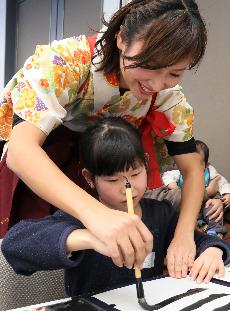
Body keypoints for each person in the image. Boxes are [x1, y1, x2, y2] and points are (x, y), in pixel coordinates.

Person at [0, 0, 208, 277]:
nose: (157, 85)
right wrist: (95, 214)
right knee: (41, 241)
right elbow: (21, 150)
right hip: (41, 158)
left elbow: (192, 167)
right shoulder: (64, 61)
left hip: (100, 163)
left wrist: (184, 236)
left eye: (174, 73)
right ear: (122, 38)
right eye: (151, 65)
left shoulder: (170, 98)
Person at [2, 117, 230, 297]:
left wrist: (213, 251)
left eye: (135, 173)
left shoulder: (160, 213)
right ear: (90, 179)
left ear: (147, 166)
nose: (127, 188)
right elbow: (15, 246)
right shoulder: (80, 218)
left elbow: (204, 240)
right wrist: (92, 238)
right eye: (113, 180)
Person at [161, 140, 230, 239]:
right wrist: (173, 186)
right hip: (189, 204)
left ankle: (216, 231)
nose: (193, 167)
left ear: (206, 165)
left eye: (198, 163)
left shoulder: (210, 173)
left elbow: (222, 182)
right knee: (184, 213)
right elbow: (167, 176)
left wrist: (227, 193)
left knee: (212, 210)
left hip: (205, 203)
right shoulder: (179, 172)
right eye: (189, 163)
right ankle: (200, 227)